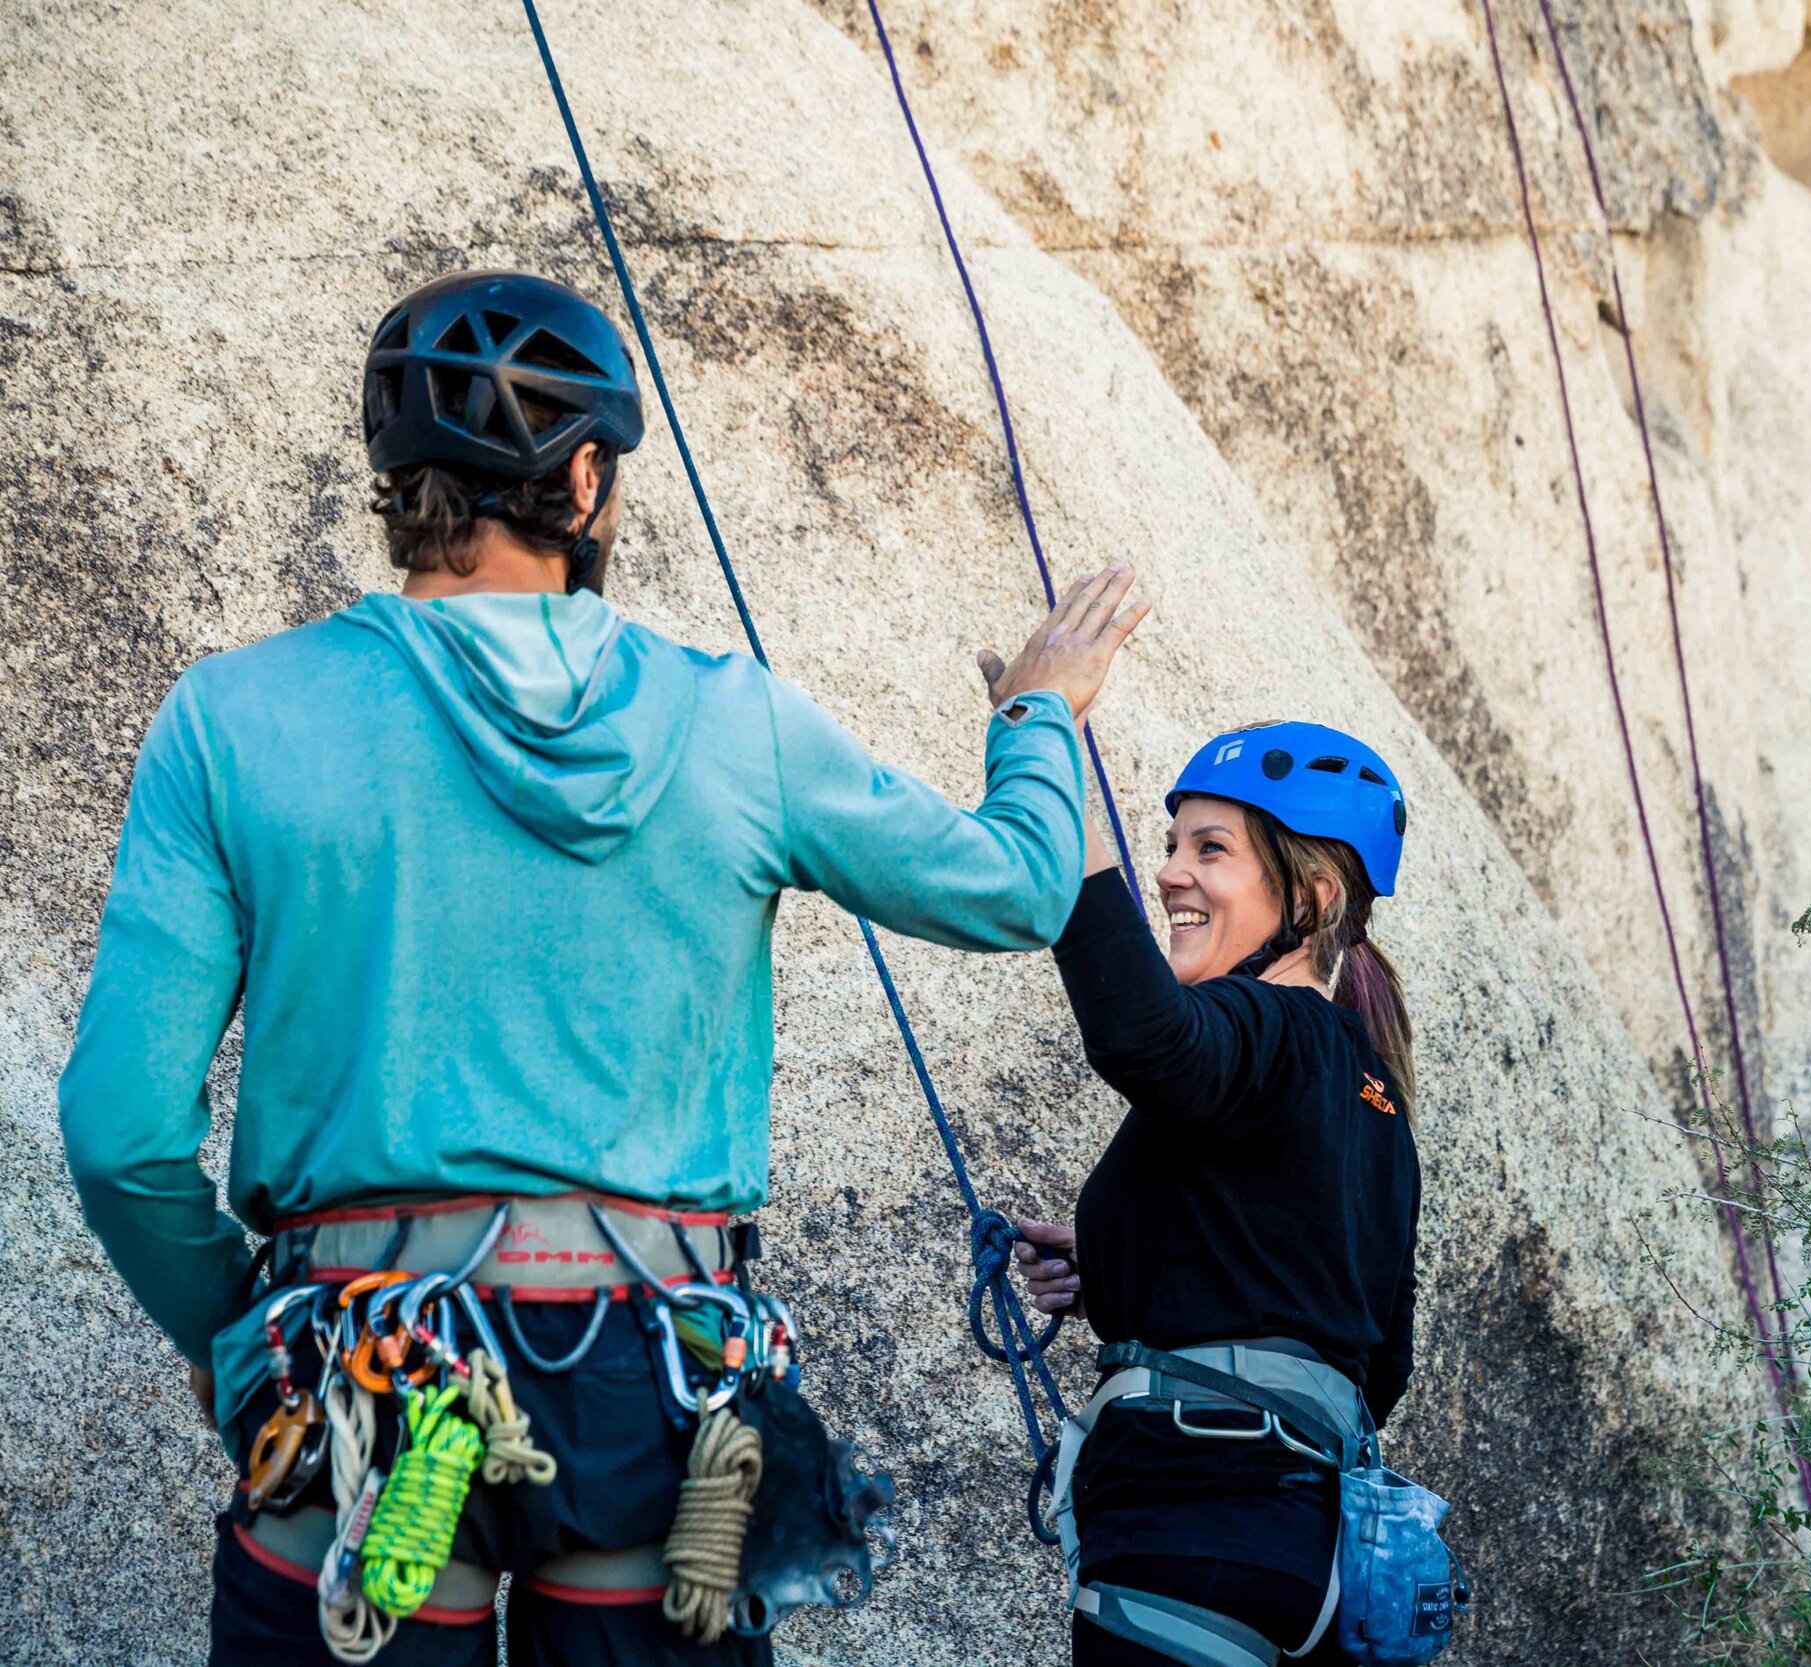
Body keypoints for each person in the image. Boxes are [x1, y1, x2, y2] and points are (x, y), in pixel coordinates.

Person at [55, 268, 1147, 1666]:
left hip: (359, 1377)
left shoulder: (235, 719)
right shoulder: (735, 723)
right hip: (660, 1384)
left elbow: (120, 1132)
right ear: (583, 478)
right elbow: (1016, 886)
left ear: (403, 481)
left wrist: (245, 1338)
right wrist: (1041, 712)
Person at [1010, 721, 1422, 1666]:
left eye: (1212, 849)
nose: (1168, 875)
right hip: (1316, 1561)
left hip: (1196, 1528)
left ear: (1312, 900)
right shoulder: (1376, 1098)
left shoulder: (1269, 1023)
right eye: (1170, 847)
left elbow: (1145, 1037)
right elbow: (1375, 1357)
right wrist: (1124, 1260)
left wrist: (1045, 750)